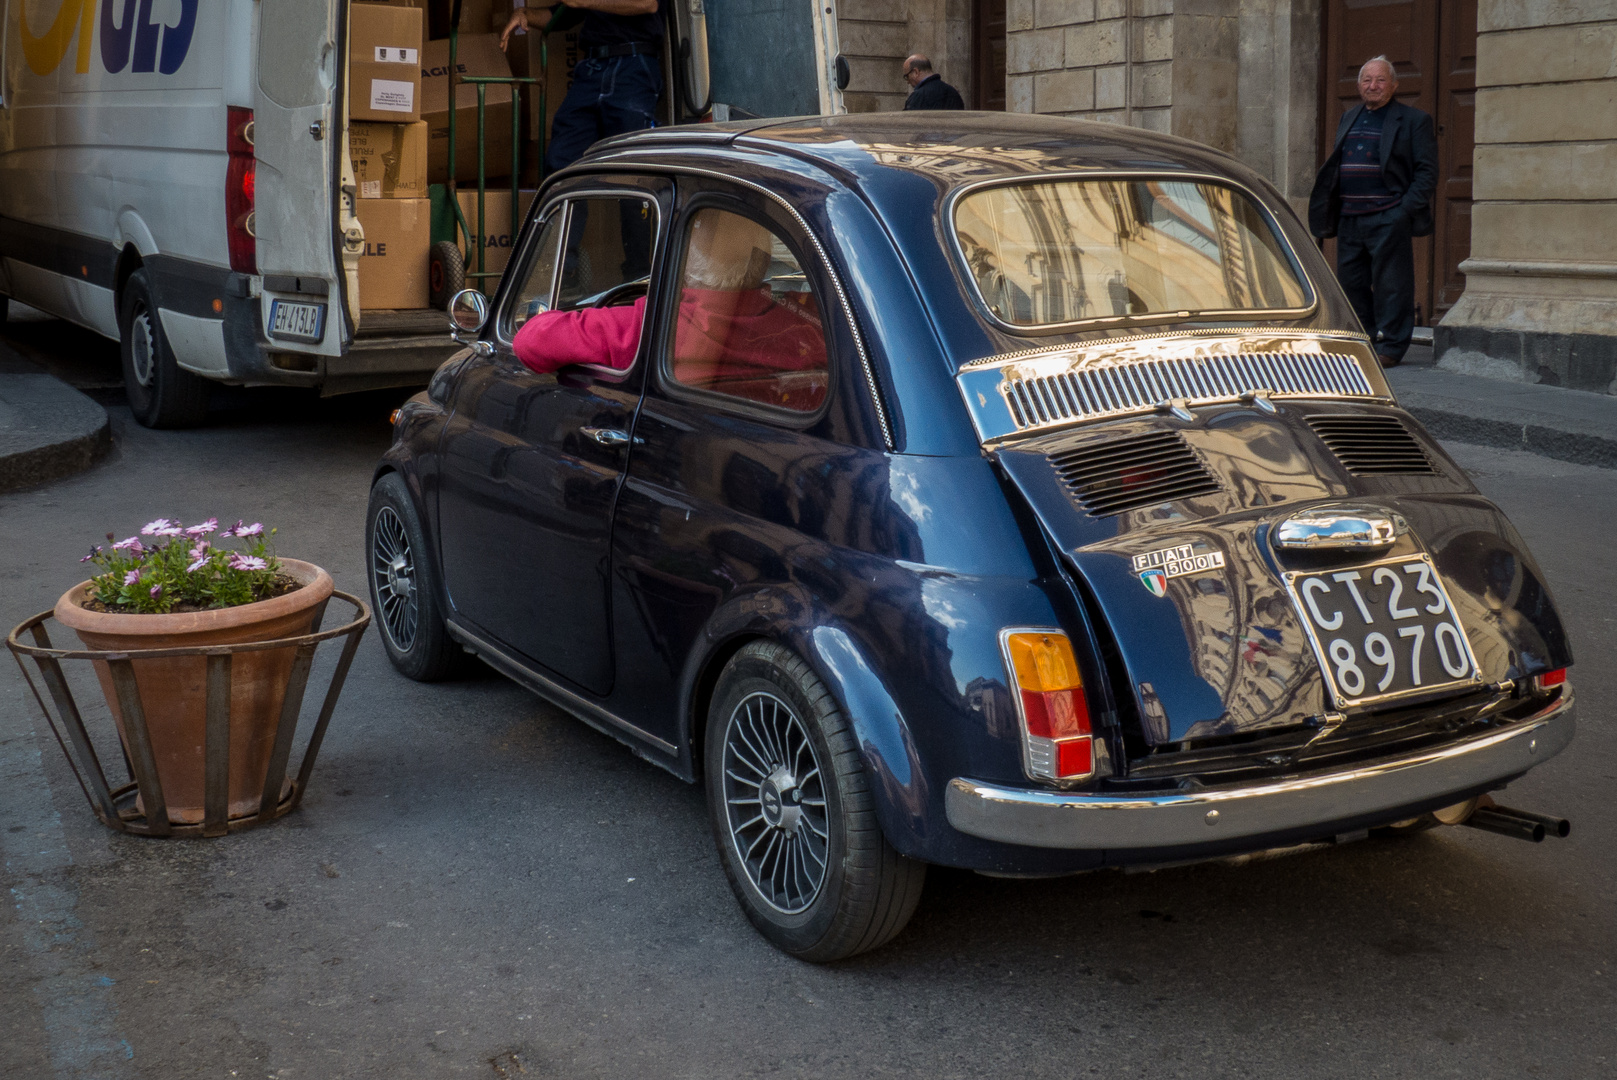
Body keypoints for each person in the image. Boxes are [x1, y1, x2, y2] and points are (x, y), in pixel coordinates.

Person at [514, 211, 825, 391]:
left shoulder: (649, 323)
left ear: (682, 264)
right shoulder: (804, 323)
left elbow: (530, 341)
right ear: (763, 258)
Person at [1308, 55, 1437, 368]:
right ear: (1358, 85)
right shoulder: (1349, 116)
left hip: (1388, 215)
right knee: (1351, 283)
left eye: (1380, 80)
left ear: (1393, 85)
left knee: (1393, 285)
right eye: (1367, 80)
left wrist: (1402, 210)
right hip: (1350, 215)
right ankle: (1363, 340)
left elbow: (1427, 172)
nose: (1373, 86)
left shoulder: (1413, 120)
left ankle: (1392, 347)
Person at [501, 1, 664, 174]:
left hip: (633, 64)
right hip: (592, 67)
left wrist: (584, 1)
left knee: (630, 165)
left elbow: (648, 3)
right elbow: (565, 13)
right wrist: (524, 14)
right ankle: (565, 199)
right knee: (560, 161)